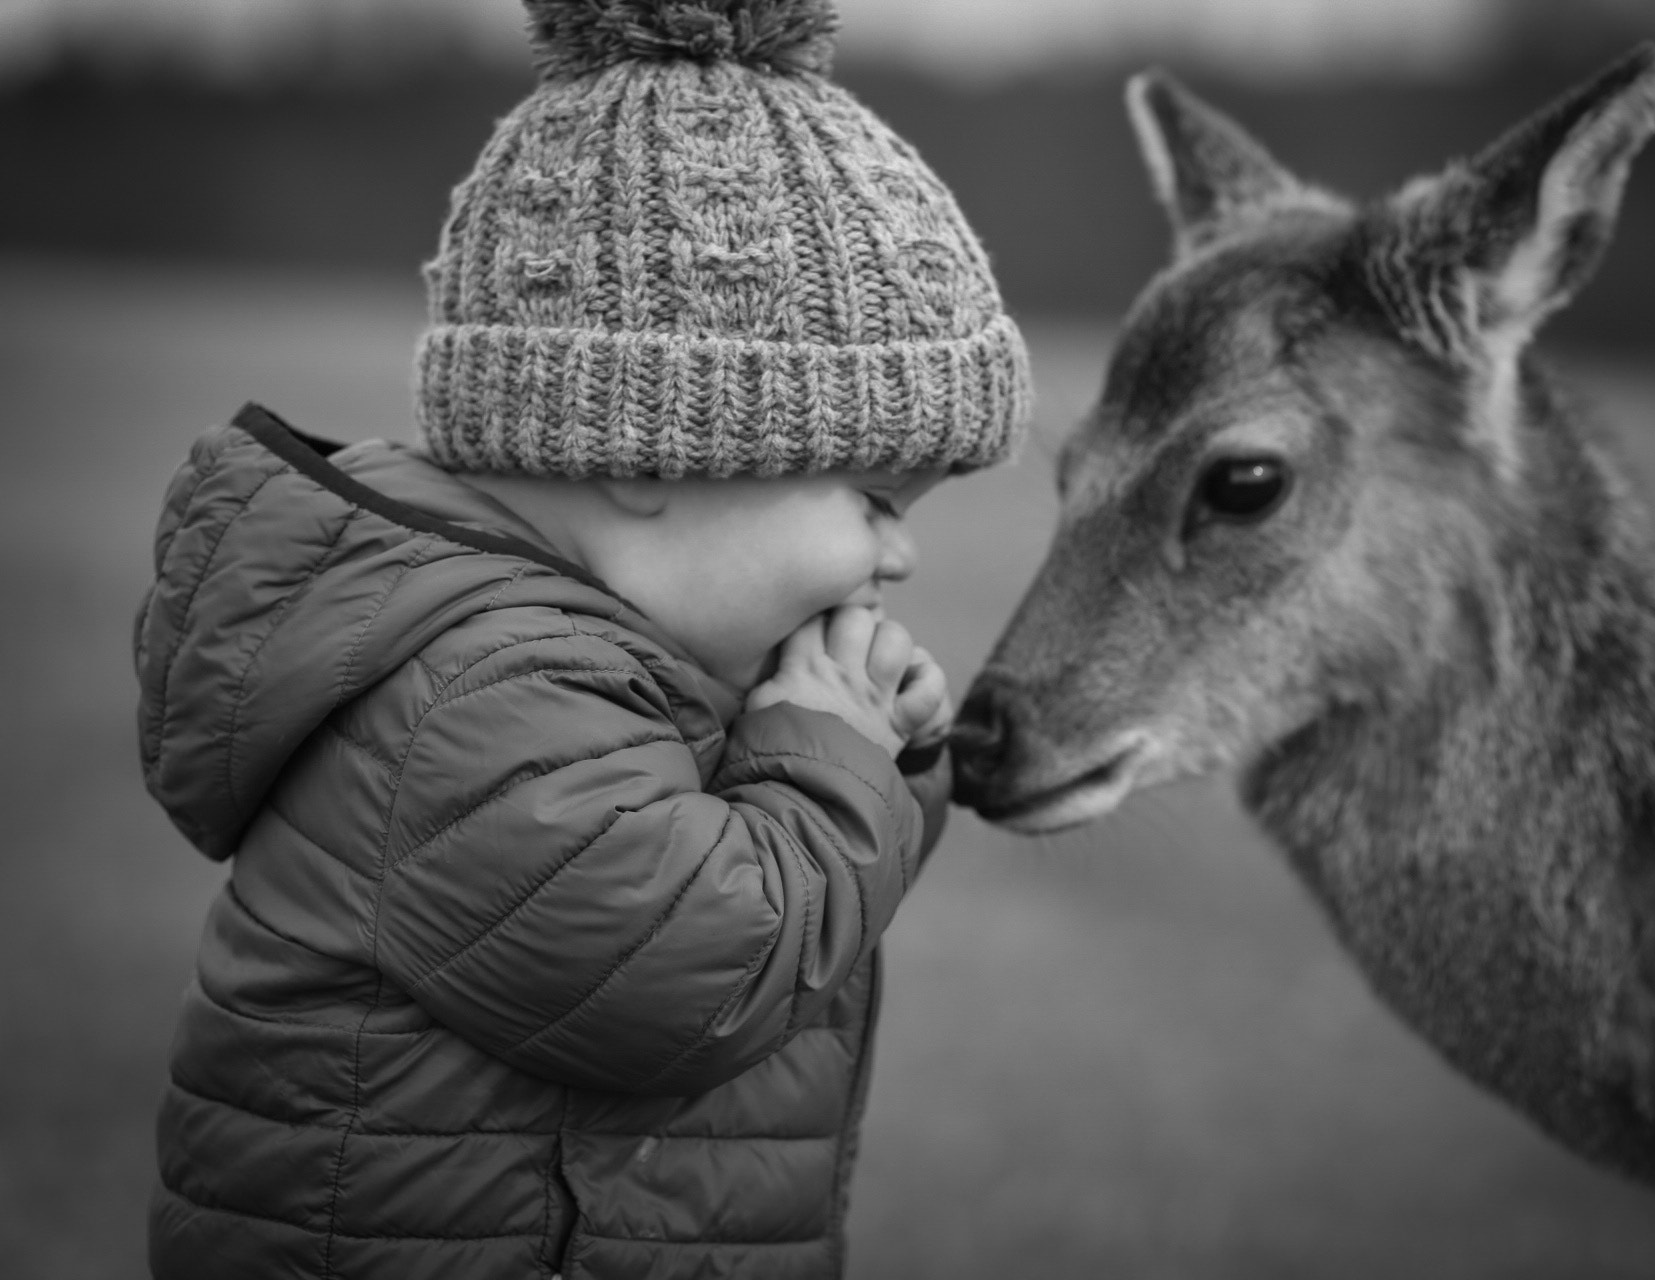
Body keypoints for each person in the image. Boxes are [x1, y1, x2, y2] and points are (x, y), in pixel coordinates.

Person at [132, 2, 1031, 1276]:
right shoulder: (477, 692)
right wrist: (834, 762)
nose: (902, 556)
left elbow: (785, 900)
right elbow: (697, 969)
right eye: (877, 499)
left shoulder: (620, 660)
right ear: (653, 452)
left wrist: (887, 760)